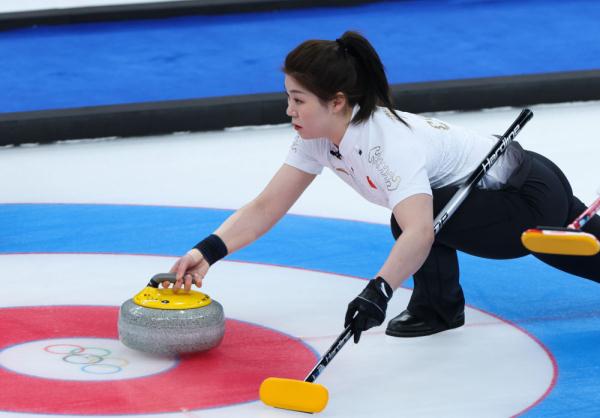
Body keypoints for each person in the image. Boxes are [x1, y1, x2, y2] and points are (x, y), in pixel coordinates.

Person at [165, 31, 600, 343]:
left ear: (336, 102)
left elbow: (419, 232)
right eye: (288, 97)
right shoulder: (316, 138)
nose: (288, 110)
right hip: (517, 187)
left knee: (411, 218)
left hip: (523, 198)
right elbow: (266, 207)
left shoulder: (384, 145)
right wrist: (207, 252)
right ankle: (438, 307)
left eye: (298, 100)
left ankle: (438, 308)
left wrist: (379, 291)